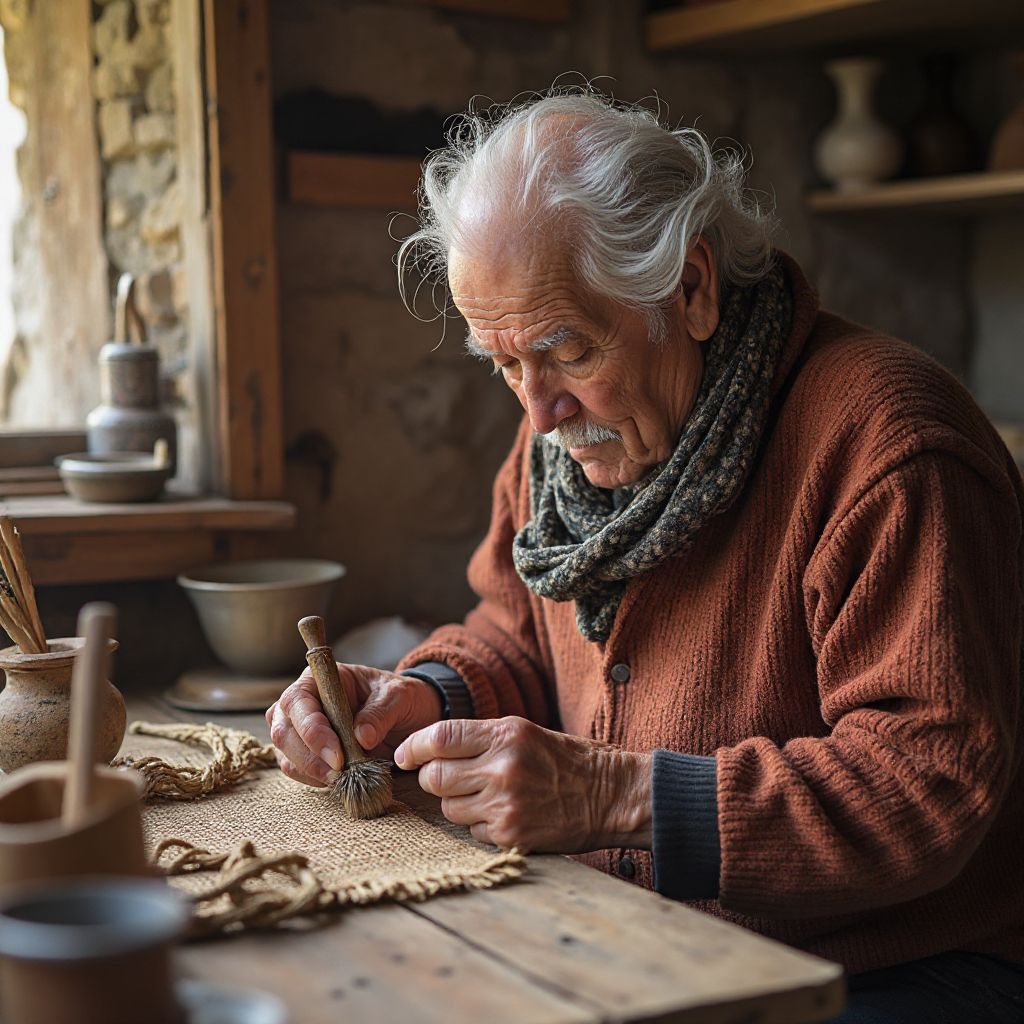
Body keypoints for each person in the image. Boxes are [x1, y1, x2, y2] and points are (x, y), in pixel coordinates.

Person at [267, 89, 1024, 1022]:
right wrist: (417, 702)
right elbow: (513, 632)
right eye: (503, 364)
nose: (537, 412)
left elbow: (926, 781)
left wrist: (608, 794)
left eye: (565, 350)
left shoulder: (890, 448)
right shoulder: (562, 446)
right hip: (630, 926)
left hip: (892, 968)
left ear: (693, 290)